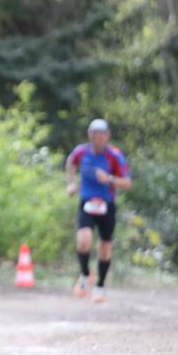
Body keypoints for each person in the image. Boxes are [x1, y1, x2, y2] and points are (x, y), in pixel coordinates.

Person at [65, 119, 131, 302]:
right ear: (89, 135)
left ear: (107, 135)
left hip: (107, 204)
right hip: (86, 202)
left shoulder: (114, 155)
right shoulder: (81, 152)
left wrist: (109, 178)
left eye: (102, 134)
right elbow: (70, 162)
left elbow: (127, 182)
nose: (98, 138)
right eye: (94, 134)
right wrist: (70, 184)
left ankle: (100, 287)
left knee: (105, 247)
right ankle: (85, 275)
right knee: (84, 240)